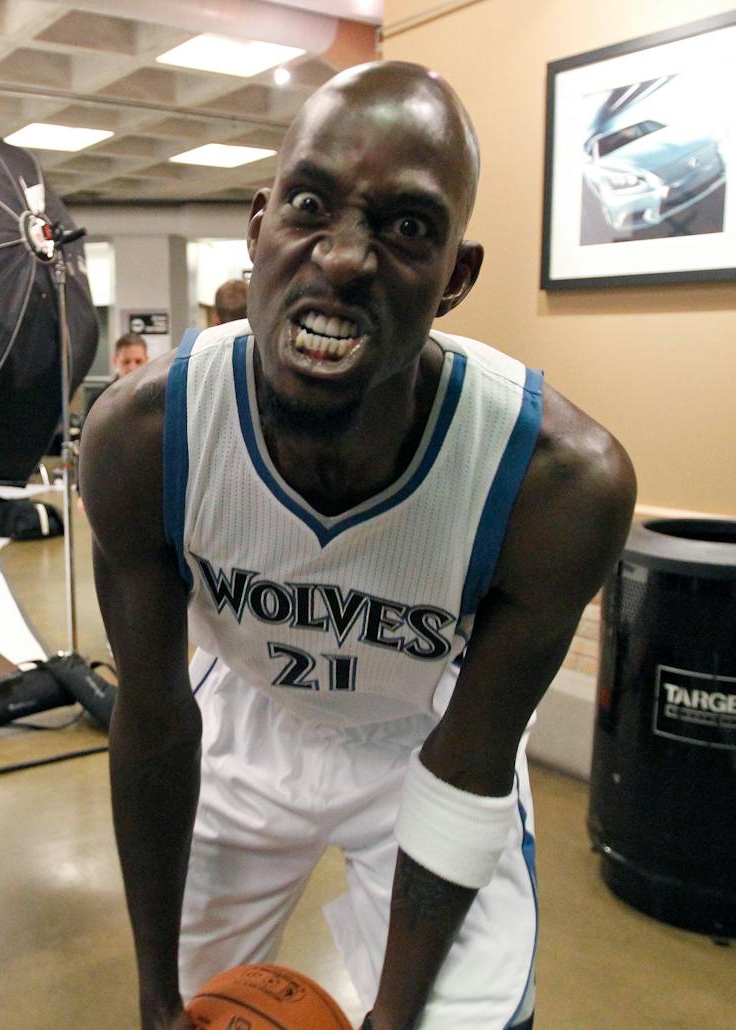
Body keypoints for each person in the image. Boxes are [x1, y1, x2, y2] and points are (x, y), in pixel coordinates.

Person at [80, 61, 635, 1030]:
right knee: (194, 1013)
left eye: (405, 225)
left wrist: (389, 1016)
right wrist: (151, 995)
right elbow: (156, 718)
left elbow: (469, 760)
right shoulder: (143, 434)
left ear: (455, 276)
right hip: (238, 721)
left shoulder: (556, 481)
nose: (341, 257)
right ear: (258, 228)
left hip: (424, 733)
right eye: (309, 204)